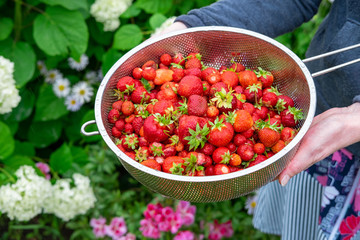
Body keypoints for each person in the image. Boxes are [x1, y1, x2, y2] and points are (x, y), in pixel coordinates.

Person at [157, 0, 360, 239]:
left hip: (337, 128)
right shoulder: (273, 129)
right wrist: (192, 26)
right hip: (322, 117)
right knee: (304, 221)